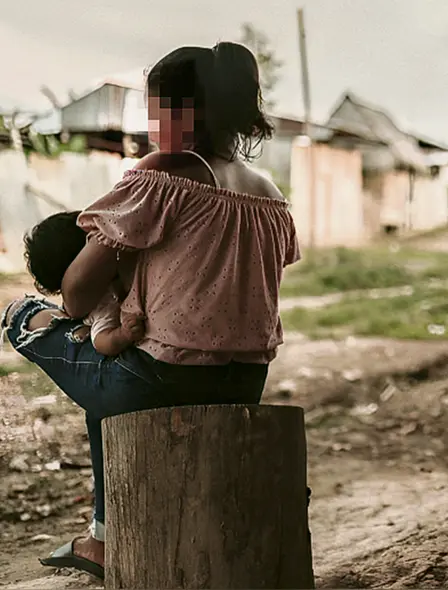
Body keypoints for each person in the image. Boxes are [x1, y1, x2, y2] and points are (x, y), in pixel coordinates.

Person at [0, 41, 300, 580]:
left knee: (25, 316)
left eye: (154, 109)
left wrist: (109, 259)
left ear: (185, 113)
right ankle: (102, 536)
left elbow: (76, 292)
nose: (148, 123)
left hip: (161, 381)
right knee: (104, 381)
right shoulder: (271, 197)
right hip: (245, 383)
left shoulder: (162, 174)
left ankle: (104, 539)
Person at [22, 211, 146, 357]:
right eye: (91, 240)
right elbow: (100, 341)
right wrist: (123, 335)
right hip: (127, 360)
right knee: (19, 312)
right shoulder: (103, 304)